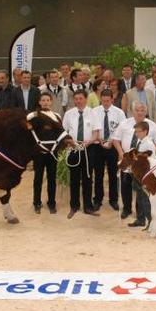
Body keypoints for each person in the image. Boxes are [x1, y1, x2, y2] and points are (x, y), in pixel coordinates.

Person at [112, 102, 156, 220]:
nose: (139, 112)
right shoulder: (124, 123)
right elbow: (115, 139)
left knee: (141, 188)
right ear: (132, 111)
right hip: (127, 162)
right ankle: (126, 209)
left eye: (142, 110)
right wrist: (121, 153)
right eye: (137, 110)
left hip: (142, 165)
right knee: (125, 186)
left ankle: (141, 213)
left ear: (146, 112)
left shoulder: (152, 125)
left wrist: (149, 155)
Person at [62, 90, 98, 219]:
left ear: (86, 99)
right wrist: (70, 142)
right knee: (74, 178)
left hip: (89, 148)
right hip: (73, 148)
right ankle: (74, 206)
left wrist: (89, 142)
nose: (78, 101)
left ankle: (88, 206)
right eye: (76, 99)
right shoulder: (68, 114)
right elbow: (64, 132)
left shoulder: (93, 113)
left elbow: (96, 133)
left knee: (88, 178)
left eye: (80, 98)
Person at [91, 89, 126, 211]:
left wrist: (112, 141)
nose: (105, 103)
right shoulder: (94, 112)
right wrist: (100, 140)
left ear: (112, 99)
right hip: (98, 145)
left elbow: (122, 130)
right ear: (100, 99)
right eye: (103, 100)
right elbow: (93, 129)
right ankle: (98, 200)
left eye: (108, 100)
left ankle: (113, 200)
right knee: (98, 174)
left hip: (113, 146)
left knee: (113, 174)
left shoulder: (119, 113)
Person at [32, 93, 60, 214]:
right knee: (38, 178)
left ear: (51, 102)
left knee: (52, 178)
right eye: (43, 100)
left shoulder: (56, 116)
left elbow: (60, 133)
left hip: (53, 152)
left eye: (48, 100)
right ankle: (37, 202)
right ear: (39, 102)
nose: (45, 102)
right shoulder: (34, 116)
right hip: (39, 152)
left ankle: (51, 203)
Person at [128, 121, 156, 229]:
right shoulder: (140, 141)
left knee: (145, 199)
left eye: (139, 132)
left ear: (145, 131)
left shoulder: (148, 143)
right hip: (138, 175)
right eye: (135, 132)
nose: (136, 134)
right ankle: (140, 219)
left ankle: (150, 222)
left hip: (146, 175)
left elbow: (150, 160)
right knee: (139, 198)